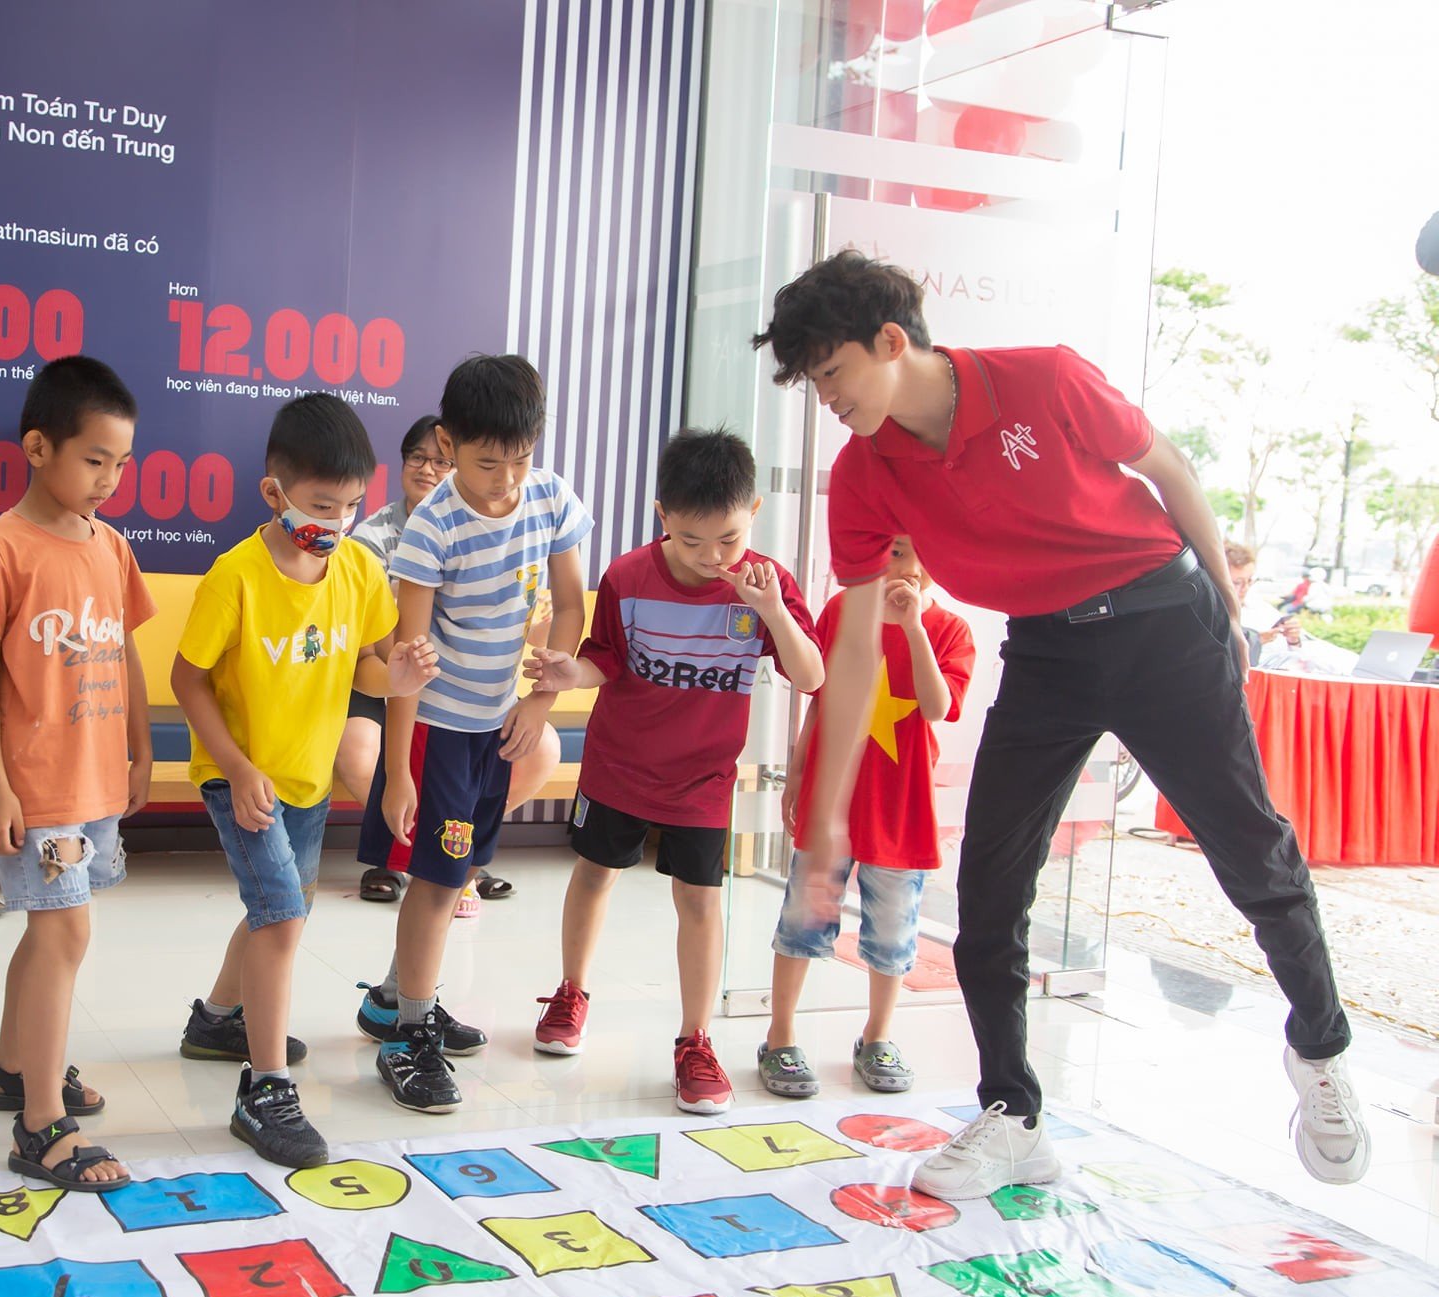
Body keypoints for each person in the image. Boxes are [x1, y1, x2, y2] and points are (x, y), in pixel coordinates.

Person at [756, 250, 1369, 1197]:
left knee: (1251, 849)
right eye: (812, 383)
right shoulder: (866, 472)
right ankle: (1013, 1115)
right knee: (990, 885)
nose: (827, 398)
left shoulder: (1043, 379)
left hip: (1162, 620)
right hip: (1048, 651)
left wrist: (1225, 605)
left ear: (890, 341)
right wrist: (827, 804)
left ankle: (1320, 1048)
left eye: (832, 372)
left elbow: (1168, 468)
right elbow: (856, 648)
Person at [523, 428, 821, 1114]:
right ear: (662, 515)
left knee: (700, 900)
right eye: (691, 541)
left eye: (729, 539)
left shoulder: (765, 584)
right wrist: (571, 673)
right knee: (594, 872)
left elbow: (811, 675)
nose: (712, 557)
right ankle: (571, 991)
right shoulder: (627, 577)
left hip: (702, 779)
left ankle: (695, 1039)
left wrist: (770, 610)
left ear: (755, 511)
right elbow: (604, 659)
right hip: (619, 764)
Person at [174, 393, 437, 1167]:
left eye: (352, 505)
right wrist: (236, 766)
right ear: (275, 493)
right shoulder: (235, 576)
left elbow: (369, 666)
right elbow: (187, 678)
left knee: (280, 909)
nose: (340, 521)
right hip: (241, 776)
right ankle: (265, 1090)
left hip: (307, 777)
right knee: (283, 916)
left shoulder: (358, 568)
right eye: (323, 506)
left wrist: (400, 674)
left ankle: (218, 1019)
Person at [360, 354, 590, 1114]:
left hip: (500, 720)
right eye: (488, 463)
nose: (506, 480)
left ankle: (395, 998)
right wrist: (400, 771)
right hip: (439, 729)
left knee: (458, 870)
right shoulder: (432, 528)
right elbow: (408, 661)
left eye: (520, 459)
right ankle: (407, 1036)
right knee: (436, 880)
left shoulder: (549, 497)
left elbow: (569, 605)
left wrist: (541, 700)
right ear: (448, 445)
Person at [0, 357, 151, 1192]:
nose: (108, 480)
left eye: (121, 463)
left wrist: (141, 747)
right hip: (37, 781)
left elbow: (125, 649)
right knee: (64, 933)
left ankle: (14, 1067)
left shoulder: (112, 546)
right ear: (38, 447)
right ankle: (40, 1120)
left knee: (50, 929)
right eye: (93, 459)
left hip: (96, 772)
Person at [763, 535, 972, 1100]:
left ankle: (877, 1036)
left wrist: (913, 627)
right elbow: (820, 698)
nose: (907, 565)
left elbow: (937, 706)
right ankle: (780, 1035)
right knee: (804, 920)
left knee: (893, 931)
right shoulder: (843, 612)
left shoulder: (950, 630)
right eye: (894, 550)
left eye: (919, 551)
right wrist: (798, 773)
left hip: (901, 809)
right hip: (833, 796)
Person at [342, 414, 559, 914]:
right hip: (385, 683)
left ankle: (458, 850)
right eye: (416, 458)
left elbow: (535, 622)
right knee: (359, 747)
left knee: (541, 744)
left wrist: (530, 622)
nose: (427, 469)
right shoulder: (373, 537)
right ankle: (408, 855)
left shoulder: (509, 526)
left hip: (464, 693)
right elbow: (375, 640)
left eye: (439, 462)